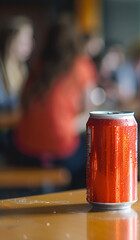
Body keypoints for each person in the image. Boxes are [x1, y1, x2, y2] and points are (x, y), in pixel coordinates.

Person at [8, 15, 97, 189]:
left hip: (25, 148)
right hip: (61, 150)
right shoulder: (82, 65)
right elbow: (90, 113)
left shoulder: (37, 66)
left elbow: (23, 103)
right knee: (92, 157)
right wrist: (67, 124)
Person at [0, 16, 33, 128]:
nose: (31, 44)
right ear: (10, 40)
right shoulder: (2, 70)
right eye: (25, 40)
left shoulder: (23, 68)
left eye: (31, 39)